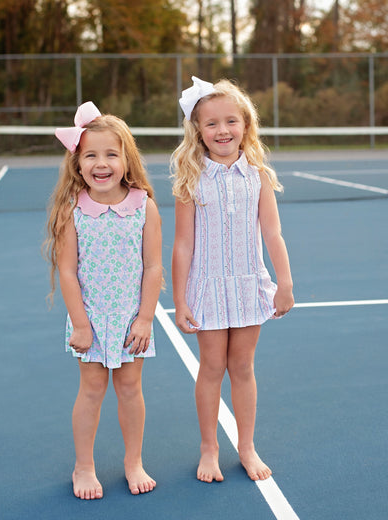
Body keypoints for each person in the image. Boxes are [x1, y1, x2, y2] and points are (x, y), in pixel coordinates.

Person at [171, 77, 294, 483]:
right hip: (207, 288)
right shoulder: (190, 178)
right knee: (211, 367)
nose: (222, 131)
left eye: (230, 122)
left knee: (242, 367)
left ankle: (246, 446)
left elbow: (273, 233)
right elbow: (183, 244)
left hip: (247, 285)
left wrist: (285, 283)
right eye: (211, 124)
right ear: (197, 130)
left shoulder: (257, 174)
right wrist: (181, 299)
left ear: (245, 125)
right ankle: (209, 448)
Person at [45, 102, 162, 499]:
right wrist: (80, 323)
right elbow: (67, 272)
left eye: (111, 154)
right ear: (78, 165)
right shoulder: (73, 210)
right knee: (92, 389)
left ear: (126, 160)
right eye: (91, 155)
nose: (101, 163)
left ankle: (134, 462)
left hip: (131, 318)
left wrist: (145, 319)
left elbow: (153, 268)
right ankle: (84, 466)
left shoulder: (144, 205)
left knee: (131, 389)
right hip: (90, 317)